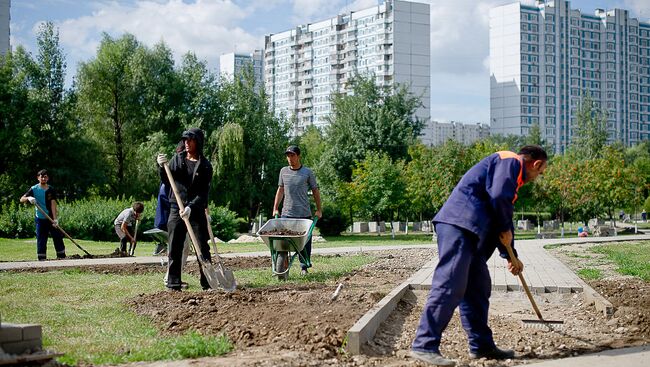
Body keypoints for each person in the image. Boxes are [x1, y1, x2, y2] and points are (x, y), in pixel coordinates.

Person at [410, 145, 548, 366]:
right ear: (537, 164)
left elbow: (501, 220)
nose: (537, 177)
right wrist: (506, 234)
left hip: (470, 231)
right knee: (450, 284)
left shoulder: (509, 175)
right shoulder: (509, 161)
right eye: (540, 173)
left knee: (478, 287)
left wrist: (510, 256)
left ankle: (481, 346)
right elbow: (499, 200)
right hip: (458, 225)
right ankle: (424, 345)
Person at [157, 128, 213, 291]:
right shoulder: (177, 159)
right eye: (185, 140)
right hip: (176, 207)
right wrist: (161, 167)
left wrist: (191, 207)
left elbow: (203, 194)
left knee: (202, 247)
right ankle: (173, 283)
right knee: (174, 246)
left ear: (198, 142)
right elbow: (167, 180)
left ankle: (207, 282)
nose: (186, 143)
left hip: (195, 210)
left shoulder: (205, 166)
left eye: (191, 140)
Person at [272, 145, 322, 275]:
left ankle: (303, 267)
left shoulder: (307, 172)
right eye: (288, 155)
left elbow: (315, 191)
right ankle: (281, 265)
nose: (290, 158)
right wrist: (275, 208)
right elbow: (280, 190)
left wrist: (319, 209)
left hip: (303, 214)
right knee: (282, 242)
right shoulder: (283, 171)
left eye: (292, 155)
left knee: (305, 243)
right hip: (286, 214)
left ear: (298, 156)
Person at [20, 169, 66, 261]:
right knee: (41, 239)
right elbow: (21, 199)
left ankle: (61, 257)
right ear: (38, 178)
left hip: (51, 218)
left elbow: (53, 203)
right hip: (40, 218)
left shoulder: (51, 189)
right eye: (42, 177)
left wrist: (55, 219)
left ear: (47, 178)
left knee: (57, 237)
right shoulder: (34, 189)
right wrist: (29, 198)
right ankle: (41, 258)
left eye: (45, 177)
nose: (43, 178)